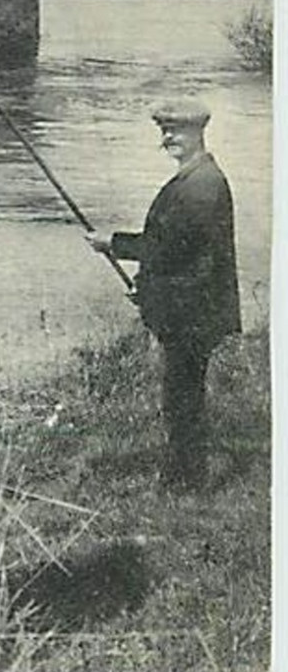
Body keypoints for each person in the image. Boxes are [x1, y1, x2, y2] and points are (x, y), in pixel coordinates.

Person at [87, 100, 240, 490]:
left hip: (193, 311)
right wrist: (149, 286)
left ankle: (186, 480)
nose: (169, 139)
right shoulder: (194, 178)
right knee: (181, 394)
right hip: (188, 306)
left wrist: (113, 243)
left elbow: (170, 248)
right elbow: (176, 253)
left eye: (176, 132)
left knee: (183, 398)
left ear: (198, 134)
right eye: (164, 132)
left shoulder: (202, 185)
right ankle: (183, 474)